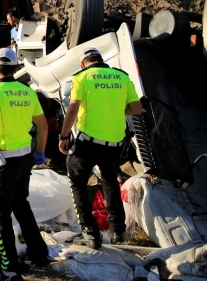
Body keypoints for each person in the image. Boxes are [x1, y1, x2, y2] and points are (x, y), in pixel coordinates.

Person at [0, 48, 50, 280]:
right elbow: (43, 125)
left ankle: (9, 270)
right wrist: (40, 152)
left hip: (3, 162)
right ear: (16, 68)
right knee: (22, 206)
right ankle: (39, 254)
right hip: (25, 159)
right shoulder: (27, 91)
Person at [59, 47, 144, 249]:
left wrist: (63, 135)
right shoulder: (121, 77)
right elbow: (137, 108)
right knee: (110, 183)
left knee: (77, 182)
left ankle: (89, 233)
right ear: (101, 60)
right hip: (115, 144)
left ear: (83, 63)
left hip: (88, 142)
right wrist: (115, 109)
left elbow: (72, 109)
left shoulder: (82, 77)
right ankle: (118, 232)